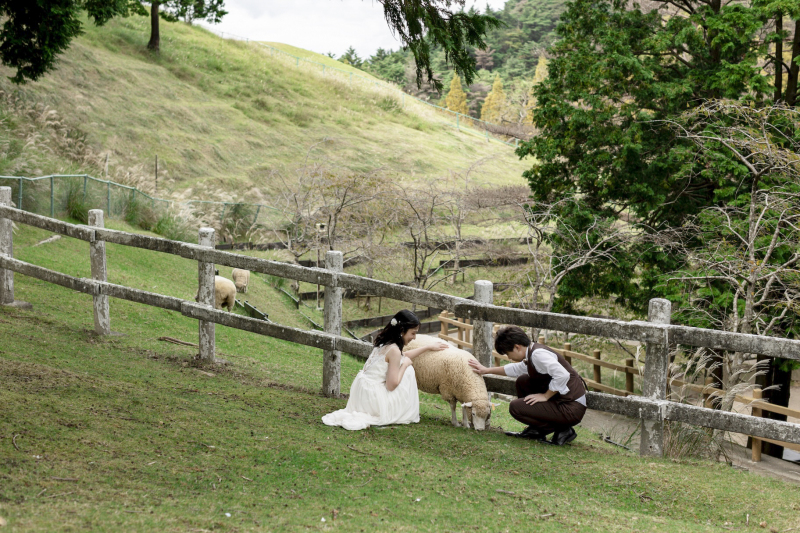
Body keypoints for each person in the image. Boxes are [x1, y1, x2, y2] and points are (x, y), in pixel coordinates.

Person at [322, 309, 449, 431]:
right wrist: (405, 366)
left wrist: (427, 347)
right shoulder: (394, 350)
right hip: (373, 400)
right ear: (402, 331)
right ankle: (402, 410)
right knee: (408, 369)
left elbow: (402, 356)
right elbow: (391, 385)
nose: (414, 337)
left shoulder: (384, 342)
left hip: (362, 393)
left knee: (404, 362)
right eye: (413, 333)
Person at [468, 326, 586, 445]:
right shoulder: (531, 352)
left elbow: (562, 375)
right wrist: (487, 370)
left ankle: (562, 429)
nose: (509, 357)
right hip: (565, 401)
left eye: (508, 353)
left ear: (517, 347)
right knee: (523, 381)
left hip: (570, 407)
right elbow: (516, 369)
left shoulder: (538, 355)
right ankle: (536, 430)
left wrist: (545, 396)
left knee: (516, 408)